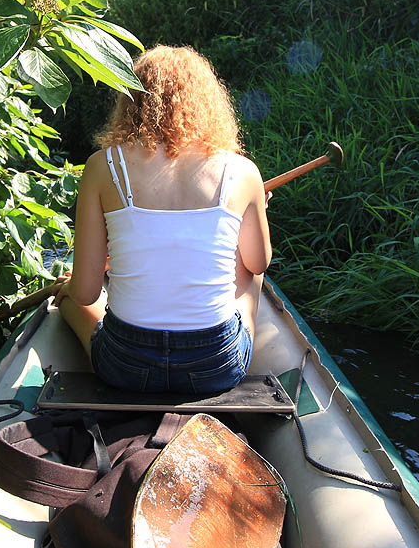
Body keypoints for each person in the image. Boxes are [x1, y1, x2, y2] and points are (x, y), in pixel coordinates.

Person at [54, 45, 271, 394]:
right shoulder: (243, 172)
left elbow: (87, 292)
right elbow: (258, 262)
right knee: (250, 273)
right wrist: (251, 213)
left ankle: (60, 299)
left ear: (132, 100)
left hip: (125, 366)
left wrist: (67, 291)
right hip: (214, 366)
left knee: (70, 301)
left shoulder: (102, 166)